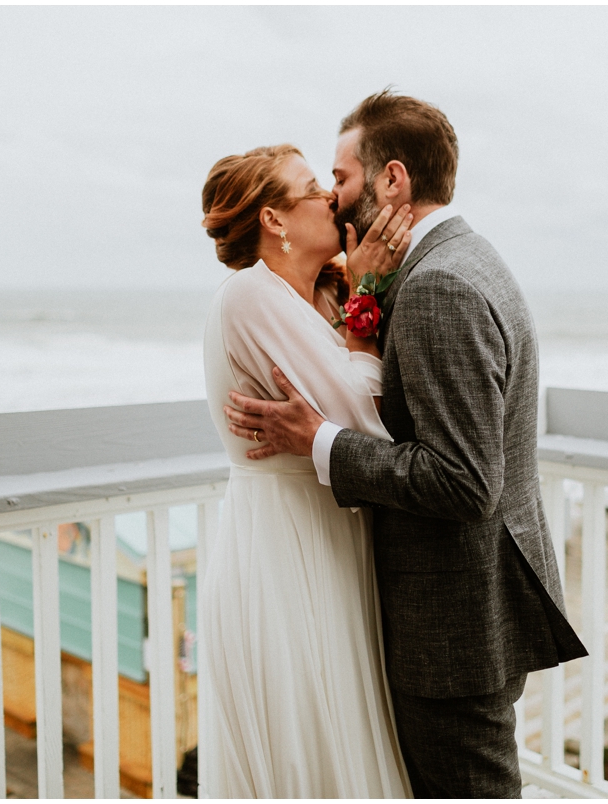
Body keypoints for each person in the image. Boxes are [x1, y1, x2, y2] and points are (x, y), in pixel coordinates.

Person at [224, 90, 588, 798]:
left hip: (450, 624)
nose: (334, 196)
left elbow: (463, 480)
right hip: (473, 604)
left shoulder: (439, 286)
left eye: (343, 177)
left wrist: (318, 439)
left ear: (394, 179)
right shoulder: (464, 258)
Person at [199, 143, 417, 797]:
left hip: (324, 542)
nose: (332, 198)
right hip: (283, 553)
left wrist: (353, 290)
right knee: (306, 753)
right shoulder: (248, 297)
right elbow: (361, 424)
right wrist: (364, 306)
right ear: (275, 219)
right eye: (313, 189)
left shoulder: (314, 296)